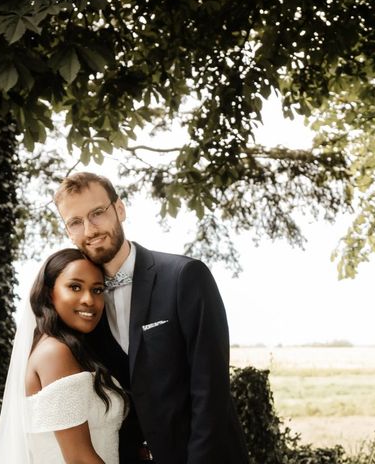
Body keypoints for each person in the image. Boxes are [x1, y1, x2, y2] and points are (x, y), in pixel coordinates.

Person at [54, 172, 249, 464]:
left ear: (119, 209)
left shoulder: (185, 277)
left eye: (97, 213)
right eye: (76, 222)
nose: (89, 229)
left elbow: (211, 392)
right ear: (68, 231)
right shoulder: (82, 307)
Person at [0, 248, 127, 463]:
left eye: (97, 290)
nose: (89, 300)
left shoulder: (67, 348)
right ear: (49, 294)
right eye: (75, 287)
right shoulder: (55, 352)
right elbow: (79, 458)